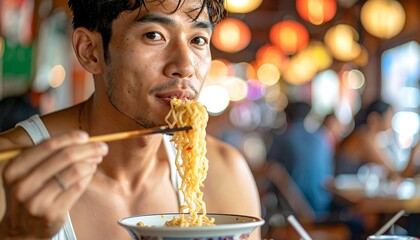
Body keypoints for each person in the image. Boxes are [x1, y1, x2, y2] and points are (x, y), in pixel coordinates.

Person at [0, 1, 261, 239]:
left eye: (198, 40)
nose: (186, 66)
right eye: (153, 35)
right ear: (90, 51)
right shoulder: (11, 172)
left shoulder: (225, 174)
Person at [267, 101, 334, 221]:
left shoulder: (283, 138)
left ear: (286, 117)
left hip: (296, 209)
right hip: (324, 204)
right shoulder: (323, 138)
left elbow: (270, 169)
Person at [335, 99, 395, 176]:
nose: (390, 122)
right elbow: (391, 169)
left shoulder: (364, 134)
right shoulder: (365, 137)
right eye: (389, 117)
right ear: (374, 118)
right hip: (343, 185)